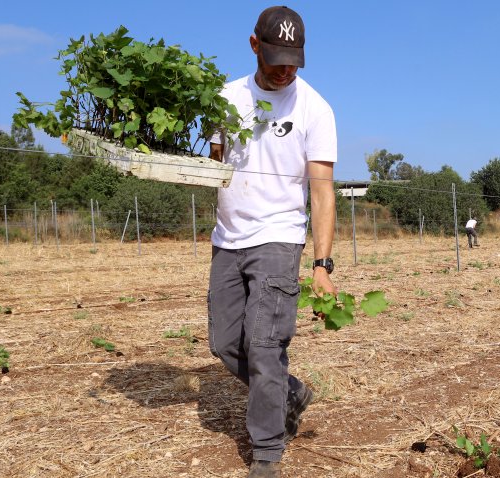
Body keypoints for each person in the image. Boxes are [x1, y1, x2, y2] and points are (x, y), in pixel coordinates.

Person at [206, 6, 337, 477]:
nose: (286, 70)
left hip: (280, 235)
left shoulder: (314, 109)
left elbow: (321, 191)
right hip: (229, 237)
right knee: (224, 344)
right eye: (277, 58)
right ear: (254, 45)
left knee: (264, 345)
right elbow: (215, 165)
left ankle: (266, 452)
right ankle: (290, 391)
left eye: (294, 61)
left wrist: (322, 263)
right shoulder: (224, 99)